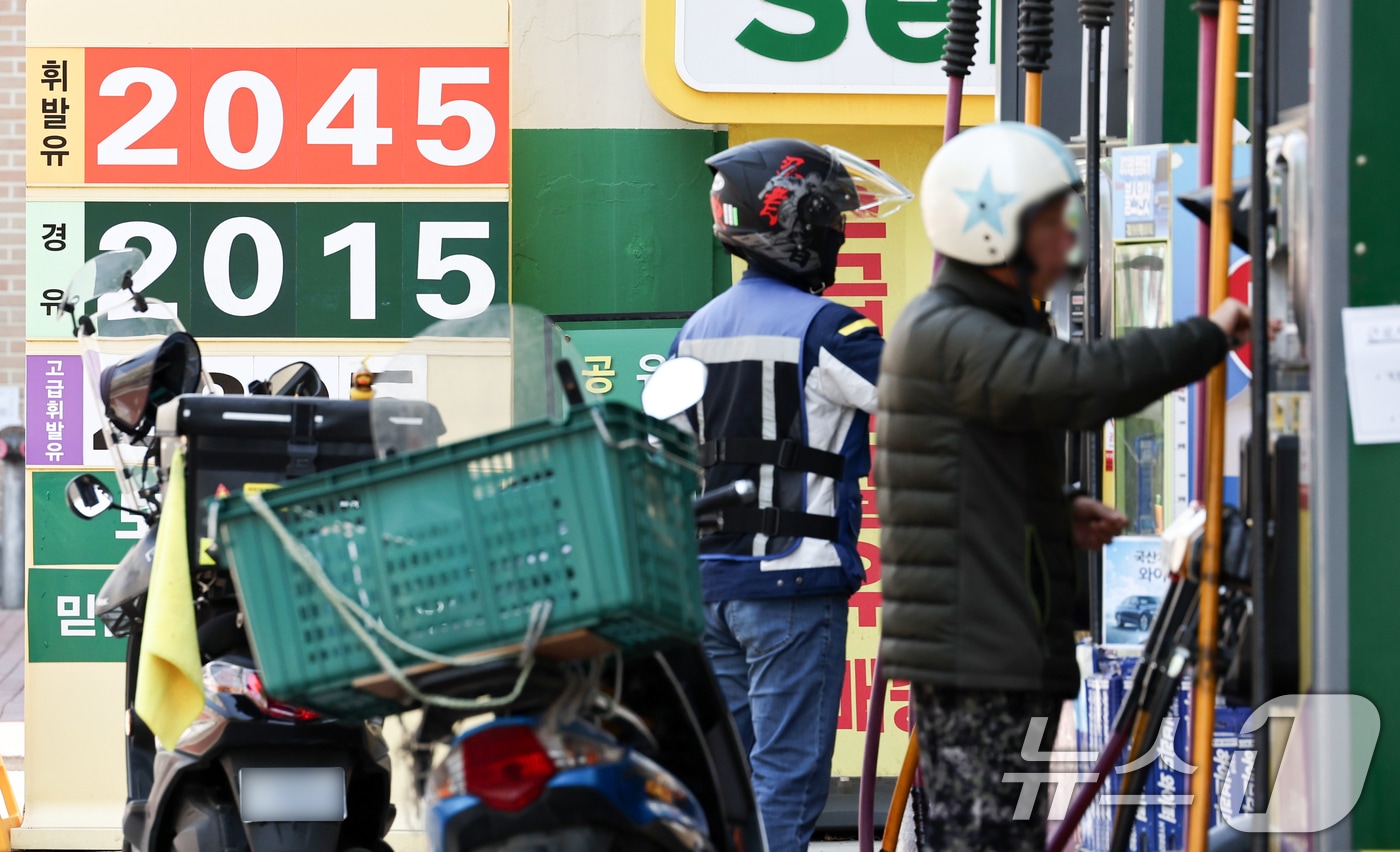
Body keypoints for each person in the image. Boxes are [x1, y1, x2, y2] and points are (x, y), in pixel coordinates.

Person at [876, 122, 1254, 852]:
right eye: (1054, 224)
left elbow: (968, 478)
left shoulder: (970, 325)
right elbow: (1081, 385)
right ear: (994, 233)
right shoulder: (955, 331)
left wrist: (1054, 511)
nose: (1068, 243)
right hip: (976, 655)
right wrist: (1211, 334)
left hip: (984, 649)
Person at [671, 138, 912, 852]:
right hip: (792, 587)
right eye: (834, 213)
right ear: (798, 222)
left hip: (711, 587)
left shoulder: (697, 328)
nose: (840, 227)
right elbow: (931, 403)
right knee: (787, 775)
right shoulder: (832, 328)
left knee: (729, 779)